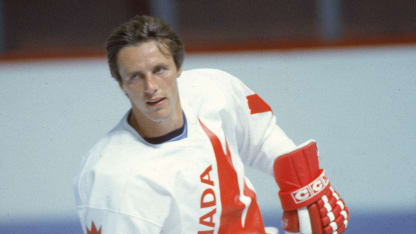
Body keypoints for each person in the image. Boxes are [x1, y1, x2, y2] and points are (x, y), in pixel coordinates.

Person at [73, 15, 349, 234]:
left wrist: (300, 184)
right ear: (121, 84)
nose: (150, 87)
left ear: (178, 67)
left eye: (159, 70)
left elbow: (261, 136)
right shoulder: (115, 179)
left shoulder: (212, 90)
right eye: (135, 76)